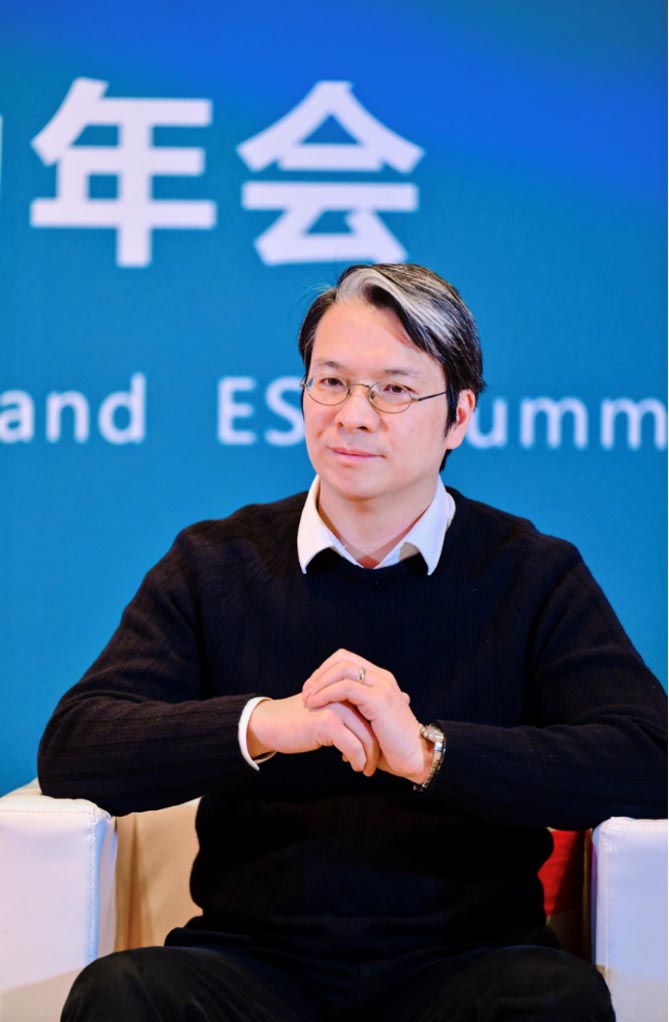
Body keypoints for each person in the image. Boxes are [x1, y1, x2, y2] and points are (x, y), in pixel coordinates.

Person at [39, 263, 666, 1021]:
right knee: (123, 995)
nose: (353, 416)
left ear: (459, 416)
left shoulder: (530, 573)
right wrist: (264, 725)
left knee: (555, 1001)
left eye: (394, 389)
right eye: (330, 382)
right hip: (253, 965)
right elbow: (75, 746)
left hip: (471, 965)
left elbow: (648, 757)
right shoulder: (216, 563)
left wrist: (430, 753)